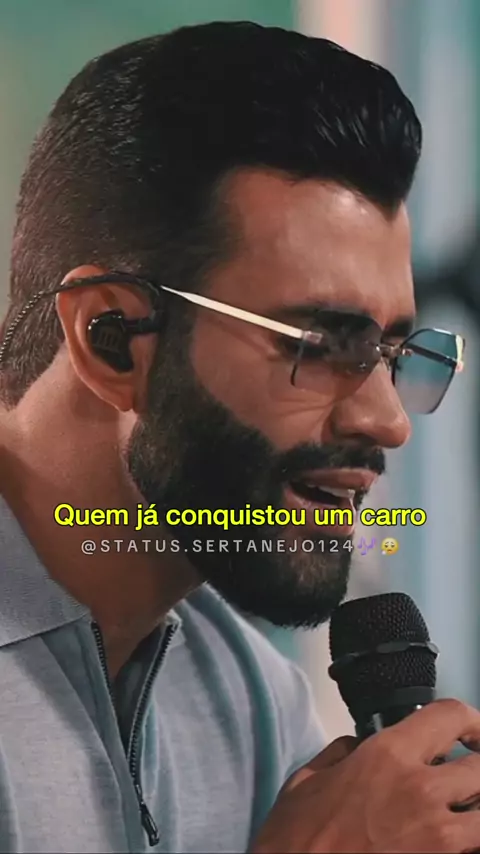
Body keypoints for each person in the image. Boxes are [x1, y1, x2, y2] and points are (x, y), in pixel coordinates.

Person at [0, 19, 476, 854]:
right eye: (321, 343)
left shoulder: (246, 695)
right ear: (112, 340)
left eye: (394, 353)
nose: (388, 421)